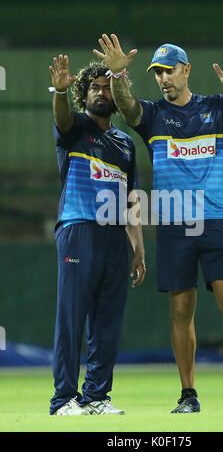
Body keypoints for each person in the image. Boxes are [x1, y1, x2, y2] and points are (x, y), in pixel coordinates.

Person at [93, 34, 223, 413]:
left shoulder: (218, 107)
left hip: (216, 220)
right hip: (173, 224)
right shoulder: (153, 116)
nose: (163, 79)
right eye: (157, 73)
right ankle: (189, 395)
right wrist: (119, 76)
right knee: (180, 310)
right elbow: (127, 108)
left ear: (186, 70)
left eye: (169, 71)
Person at [48, 54, 146, 416]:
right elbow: (60, 116)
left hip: (114, 239)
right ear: (82, 95)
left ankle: (96, 397)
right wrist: (59, 92)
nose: (102, 92)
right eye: (94, 87)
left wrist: (138, 247)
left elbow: (132, 197)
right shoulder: (73, 128)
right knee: (72, 317)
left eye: (107, 87)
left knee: (107, 322)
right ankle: (63, 400)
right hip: (78, 229)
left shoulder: (125, 144)